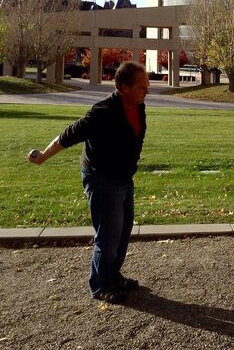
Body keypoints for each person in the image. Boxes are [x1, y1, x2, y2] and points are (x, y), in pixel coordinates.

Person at [27, 61, 149, 304]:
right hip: (102, 178)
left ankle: (113, 276)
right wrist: (41, 158)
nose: (147, 92)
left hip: (123, 178)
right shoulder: (102, 112)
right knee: (108, 235)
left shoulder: (138, 105)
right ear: (124, 87)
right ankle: (100, 285)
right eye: (142, 87)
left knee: (123, 232)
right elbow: (69, 135)